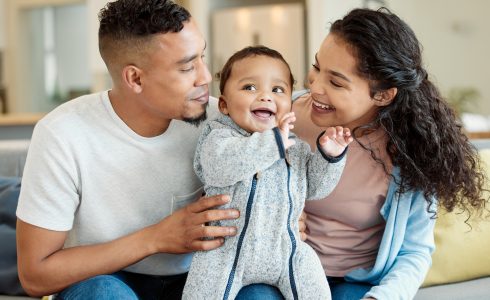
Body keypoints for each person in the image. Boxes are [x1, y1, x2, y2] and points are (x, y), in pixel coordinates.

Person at [15, 1, 286, 299]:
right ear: (135, 78)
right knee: (102, 292)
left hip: (206, 276)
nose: (206, 77)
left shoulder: (223, 119)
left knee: (261, 294)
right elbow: (35, 276)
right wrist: (156, 239)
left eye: (202, 58)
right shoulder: (62, 134)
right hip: (108, 280)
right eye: (187, 67)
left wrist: (284, 213)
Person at [291, 8, 488, 300]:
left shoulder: (410, 152)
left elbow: (415, 251)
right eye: (316, 67)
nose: (314, 86)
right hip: (286, 267)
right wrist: (276, 216)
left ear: (382, 95)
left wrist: (380, 298)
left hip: (353, 281)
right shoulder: (285, 117)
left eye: (335, 82)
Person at [182, 46, 352, 300]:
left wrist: (330, 156)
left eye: (278, 89)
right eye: (250, 88)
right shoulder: (219, 138)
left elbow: (316, 188)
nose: (265, 96)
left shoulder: (294, 147)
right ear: (225, 105)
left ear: (290, 103)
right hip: (225, 251)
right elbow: (220, 168)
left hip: (286, 250)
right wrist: (273, 143)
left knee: (314, 286)